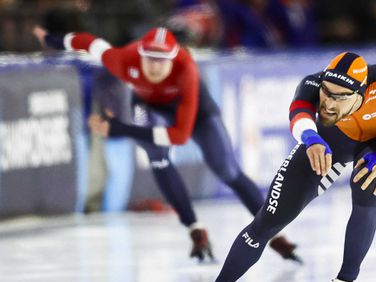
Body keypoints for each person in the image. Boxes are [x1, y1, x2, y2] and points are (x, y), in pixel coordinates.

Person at [166, 52, 376, 282]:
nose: (328, 103)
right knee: (269, 218)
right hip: (330, 142)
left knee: (365, 187)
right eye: (327, 93)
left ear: (361, 93)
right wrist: (310, 137)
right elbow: (299, 113)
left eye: (339, 97)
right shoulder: (312, 85)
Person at [32, 26, 300, 263]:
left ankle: (272, 231)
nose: (156, 67)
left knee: (227, 170)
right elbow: (90, 43)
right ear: (141, 54)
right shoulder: (124, 59)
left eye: (162, 60)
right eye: (150, 58)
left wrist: (120, 128)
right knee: (157, 156)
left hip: (194, 112)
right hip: (148, 106)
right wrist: (53, 39)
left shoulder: (186, 70)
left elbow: (180, 136)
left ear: (173, 59)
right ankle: (194, 228)